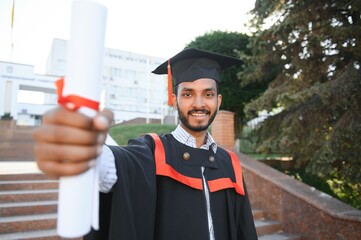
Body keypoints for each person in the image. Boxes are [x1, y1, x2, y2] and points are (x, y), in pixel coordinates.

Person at [33, 48, 258, 240]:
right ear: (174, 99)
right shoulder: (153, 150)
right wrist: (85, 150)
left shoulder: (230, 163)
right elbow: (113, 167)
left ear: (218, 100)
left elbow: (243, 228)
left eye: (207, 94)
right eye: (188, 94)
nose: (198, 103)